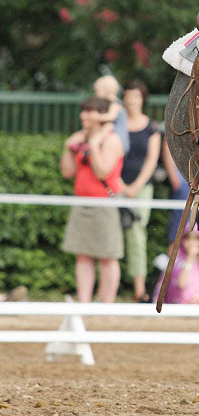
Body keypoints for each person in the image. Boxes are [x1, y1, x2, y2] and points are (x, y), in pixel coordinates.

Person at [60, 96, 125, 302]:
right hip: (82, 202)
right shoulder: (82, 137)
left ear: (101, 115)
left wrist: (95, 144)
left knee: (107, 256)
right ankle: (84, 303)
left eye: (88, 111)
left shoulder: (111, 139)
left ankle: (106, 307)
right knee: (83, 255)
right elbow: (67, 172)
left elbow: (102, 171)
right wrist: (68, 148)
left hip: (103, 203)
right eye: (83, 111)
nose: (83, 116)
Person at [121, 81, 162, 301]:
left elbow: (151, 160)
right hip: (115, 186)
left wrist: (135, 186)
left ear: (142, 99)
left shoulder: (151, 127)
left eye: (135, 96)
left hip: (142, 188)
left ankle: (139, 290)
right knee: (109, 235)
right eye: (128, 96)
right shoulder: (116, 124)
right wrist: (119, 184)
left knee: (137, 233)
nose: (131, 101)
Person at [152, 227, 199, 304]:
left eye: (196, 239)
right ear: (182, 240)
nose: (192, 242)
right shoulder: (175, 263)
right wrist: (189, 259)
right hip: (179, 308)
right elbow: (181, 284)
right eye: (188, 238)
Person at [161, 136, 191, 252]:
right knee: (178, 232)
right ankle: (175, 269)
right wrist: (175, 179)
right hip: (183, 183)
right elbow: (168, 141)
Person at [93, 75, 130, 156]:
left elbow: (111, 116)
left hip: (119, 136)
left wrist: (96, 117)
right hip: (113, 135)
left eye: (97, 90)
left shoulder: (115, 103)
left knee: (108, 126)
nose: (96, 93)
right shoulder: (108, 103)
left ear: (106, 90)